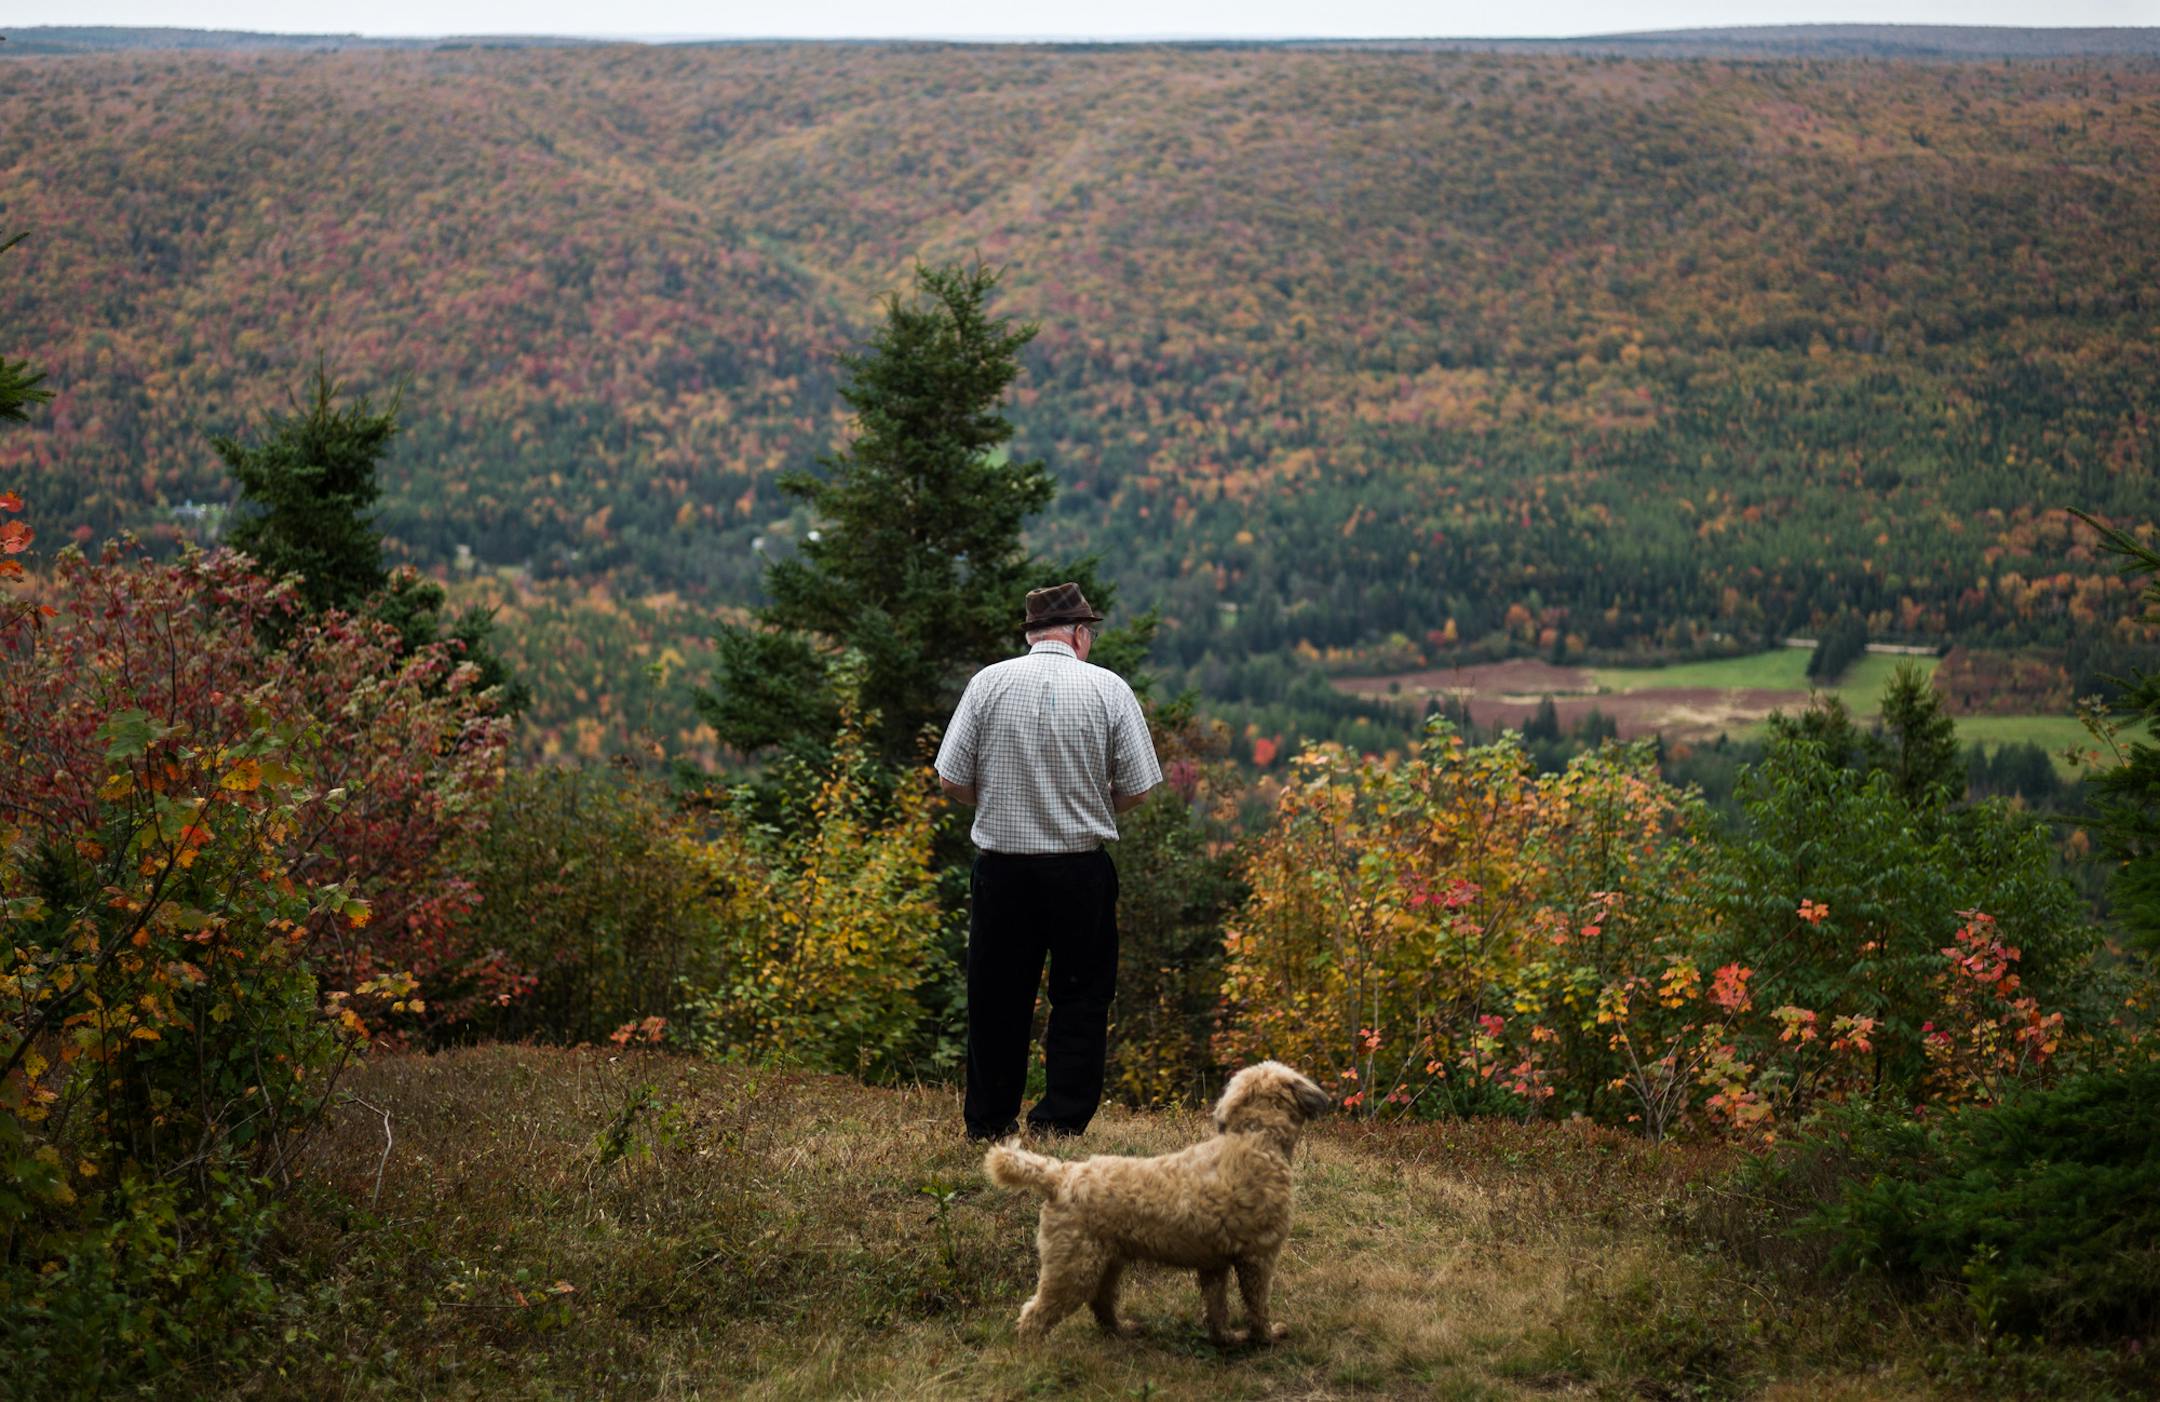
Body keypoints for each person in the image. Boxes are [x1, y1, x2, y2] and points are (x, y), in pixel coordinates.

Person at [935, 582, 1164, 1142]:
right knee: (1081, 997)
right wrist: (1090, 805)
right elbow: (1139, 788)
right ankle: (1060, 1122)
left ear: (1032, 634)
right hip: (1078, 870)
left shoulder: (987, 683)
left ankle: (989, 1124)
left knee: (995, 999)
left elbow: (950, 779)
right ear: (1081, 635)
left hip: (1003, 870)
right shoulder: (1108, 689)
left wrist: (996, 801)